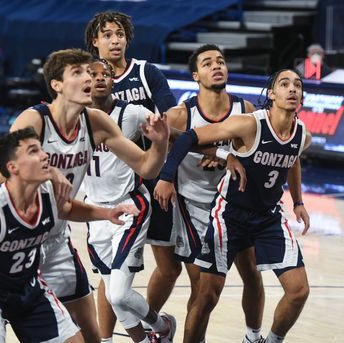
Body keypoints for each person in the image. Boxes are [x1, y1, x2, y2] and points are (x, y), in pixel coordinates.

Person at [0, 48, 169, 342]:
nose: (90, 78)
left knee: (89, 330)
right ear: (57, 85)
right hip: (15, 240)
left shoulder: (97, 122)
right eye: (79, 73)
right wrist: (45, 169)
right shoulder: (34, 119)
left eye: (90, 73)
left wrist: (161, 144)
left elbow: (146, 167)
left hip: (56, 239)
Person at [0, 127, 141, 342]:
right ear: (13, 168)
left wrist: (107, 213)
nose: (45, 155)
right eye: (33, 151)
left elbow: (68, 209)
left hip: (29, 287)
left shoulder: (46, 192)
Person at [158, 68, 312, 343]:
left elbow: (293, 158)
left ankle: (265, 340)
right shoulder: (249, 124)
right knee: (207, 296)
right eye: (285, 84)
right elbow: (188, 137)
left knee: (298, 291)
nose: (292, 89)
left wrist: (298, 200)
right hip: (229, 216)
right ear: (272, 94)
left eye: (297, 85)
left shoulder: (302, 134)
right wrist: (167, 177)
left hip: (268, 217)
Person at [154, 44, 265, 343]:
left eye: (221, 61)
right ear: (195, 75)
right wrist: (169, 180)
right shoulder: (180, 115)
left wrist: (231, 155)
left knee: (252, 275)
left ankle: (254, 336)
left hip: (235, 208)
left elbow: (257, 158)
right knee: (204, 289)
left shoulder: (247, 112)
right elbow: (162, 155)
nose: (216, 66)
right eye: (207, 63)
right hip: (196, 208)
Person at [85, 11, 179, 341]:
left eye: (119, 34)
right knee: (110, 283)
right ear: (94, 42)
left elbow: (173, 120)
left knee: (165, 266)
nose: (115, 40)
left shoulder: (144, 75)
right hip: (99, 202)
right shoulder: (79, 99)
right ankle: (111, 337)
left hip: (146, 184)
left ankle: (159, 327)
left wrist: (168, 167)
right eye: (107, 34)